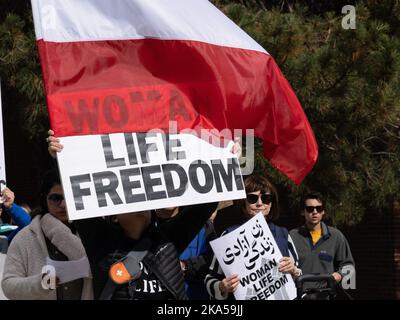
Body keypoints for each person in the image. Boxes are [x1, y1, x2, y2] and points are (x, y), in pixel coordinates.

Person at [47, 130, 221, 300]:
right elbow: (76, 191)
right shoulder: (100, 243)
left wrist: (225, 158)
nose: (137, 201)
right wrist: (62, 157)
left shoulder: (168, 239)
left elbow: (205, 205)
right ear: (114, 216)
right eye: (127, 196)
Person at [205, 175, 301, 300]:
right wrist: (222, 287)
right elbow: (209, 279)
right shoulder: (229, 235)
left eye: (266, 198)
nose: (260, 203)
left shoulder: (283, 234)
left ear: (271, 205)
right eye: (252, 198)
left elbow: (299, 274)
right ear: (243, 204)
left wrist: (294, 270)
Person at [1, 170, 93, 300]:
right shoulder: (25, 238)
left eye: (69, 197)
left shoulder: (93, 233)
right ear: (44, 199)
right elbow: (8, 286)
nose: (63, 205)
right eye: (56, 198)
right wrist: (40, 283)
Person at [289, 191, 355, 296]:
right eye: (310, 209)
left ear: (323, 211)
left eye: (318, 209)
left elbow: (348, 266)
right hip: (299, 295)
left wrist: (338, 275)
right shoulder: (292, 236)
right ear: (303, 211)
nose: (315, 212)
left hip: (327, 296)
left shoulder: (336, 236)